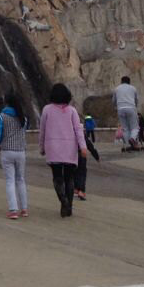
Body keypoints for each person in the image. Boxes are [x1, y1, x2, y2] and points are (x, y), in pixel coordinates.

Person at [39, 83, 90, 217]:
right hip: (69, 149)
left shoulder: (46, 110)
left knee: (57, 178)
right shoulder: (72, 110)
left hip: (53, 148)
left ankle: (63, 200)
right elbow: (78, 130)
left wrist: (42, 147)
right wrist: (83, 147)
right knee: (69, 178)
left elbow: (42, 131)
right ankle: (69, 207)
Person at [0, 92, 29, 219]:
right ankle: (24, 209)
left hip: (6, 151)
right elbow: (24, 131)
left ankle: (13, 210)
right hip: (21, 151)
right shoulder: (23, 117)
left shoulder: (2, 116)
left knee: (10, 181)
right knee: (21, 179)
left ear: (6, 103)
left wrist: (0, 142)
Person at [74, 104, 100, 200]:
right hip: (81, 154)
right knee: (82, 172)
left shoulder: (67, 130)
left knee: (74, 172)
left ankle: (76, 188)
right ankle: (81, 191)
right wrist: (96, 156)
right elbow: (89, 144)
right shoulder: (80, 130)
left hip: (71, 155)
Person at [113, 76, 141, 151]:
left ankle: (128, 144)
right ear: (129, 82)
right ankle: (132, 139)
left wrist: (116, 107)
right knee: (135, 127)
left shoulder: (117, 89)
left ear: (121, 81)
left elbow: (114, 100)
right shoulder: (133, 88)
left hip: (120, 109)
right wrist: (135, 106)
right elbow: (136, 99)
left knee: (125, 128)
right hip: (131, 108)